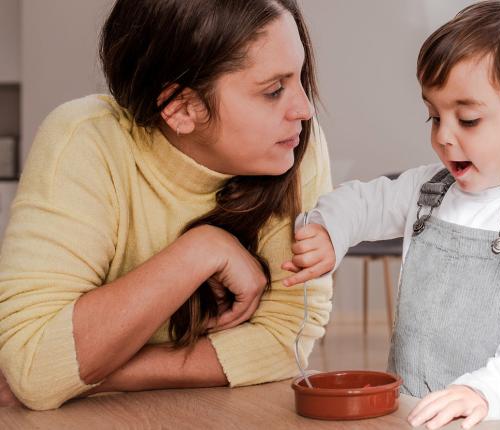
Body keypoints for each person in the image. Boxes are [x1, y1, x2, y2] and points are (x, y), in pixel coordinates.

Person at [0, 0, 332, 410]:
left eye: (299, 78)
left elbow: (288, 340)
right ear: (180, 108)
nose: (305, 109)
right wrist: (200, 250)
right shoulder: (84, 140)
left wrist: (91, 375)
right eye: (273, 90)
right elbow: (34, 363)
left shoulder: (296, 145)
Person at [285, 1, 500, 429]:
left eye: (467, 119)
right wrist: (328, 229)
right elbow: (362, 202)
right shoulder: (428, 190)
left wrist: (486, 391)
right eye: (433, 115)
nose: (443, 136)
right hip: (415, 412)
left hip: (499, 416)